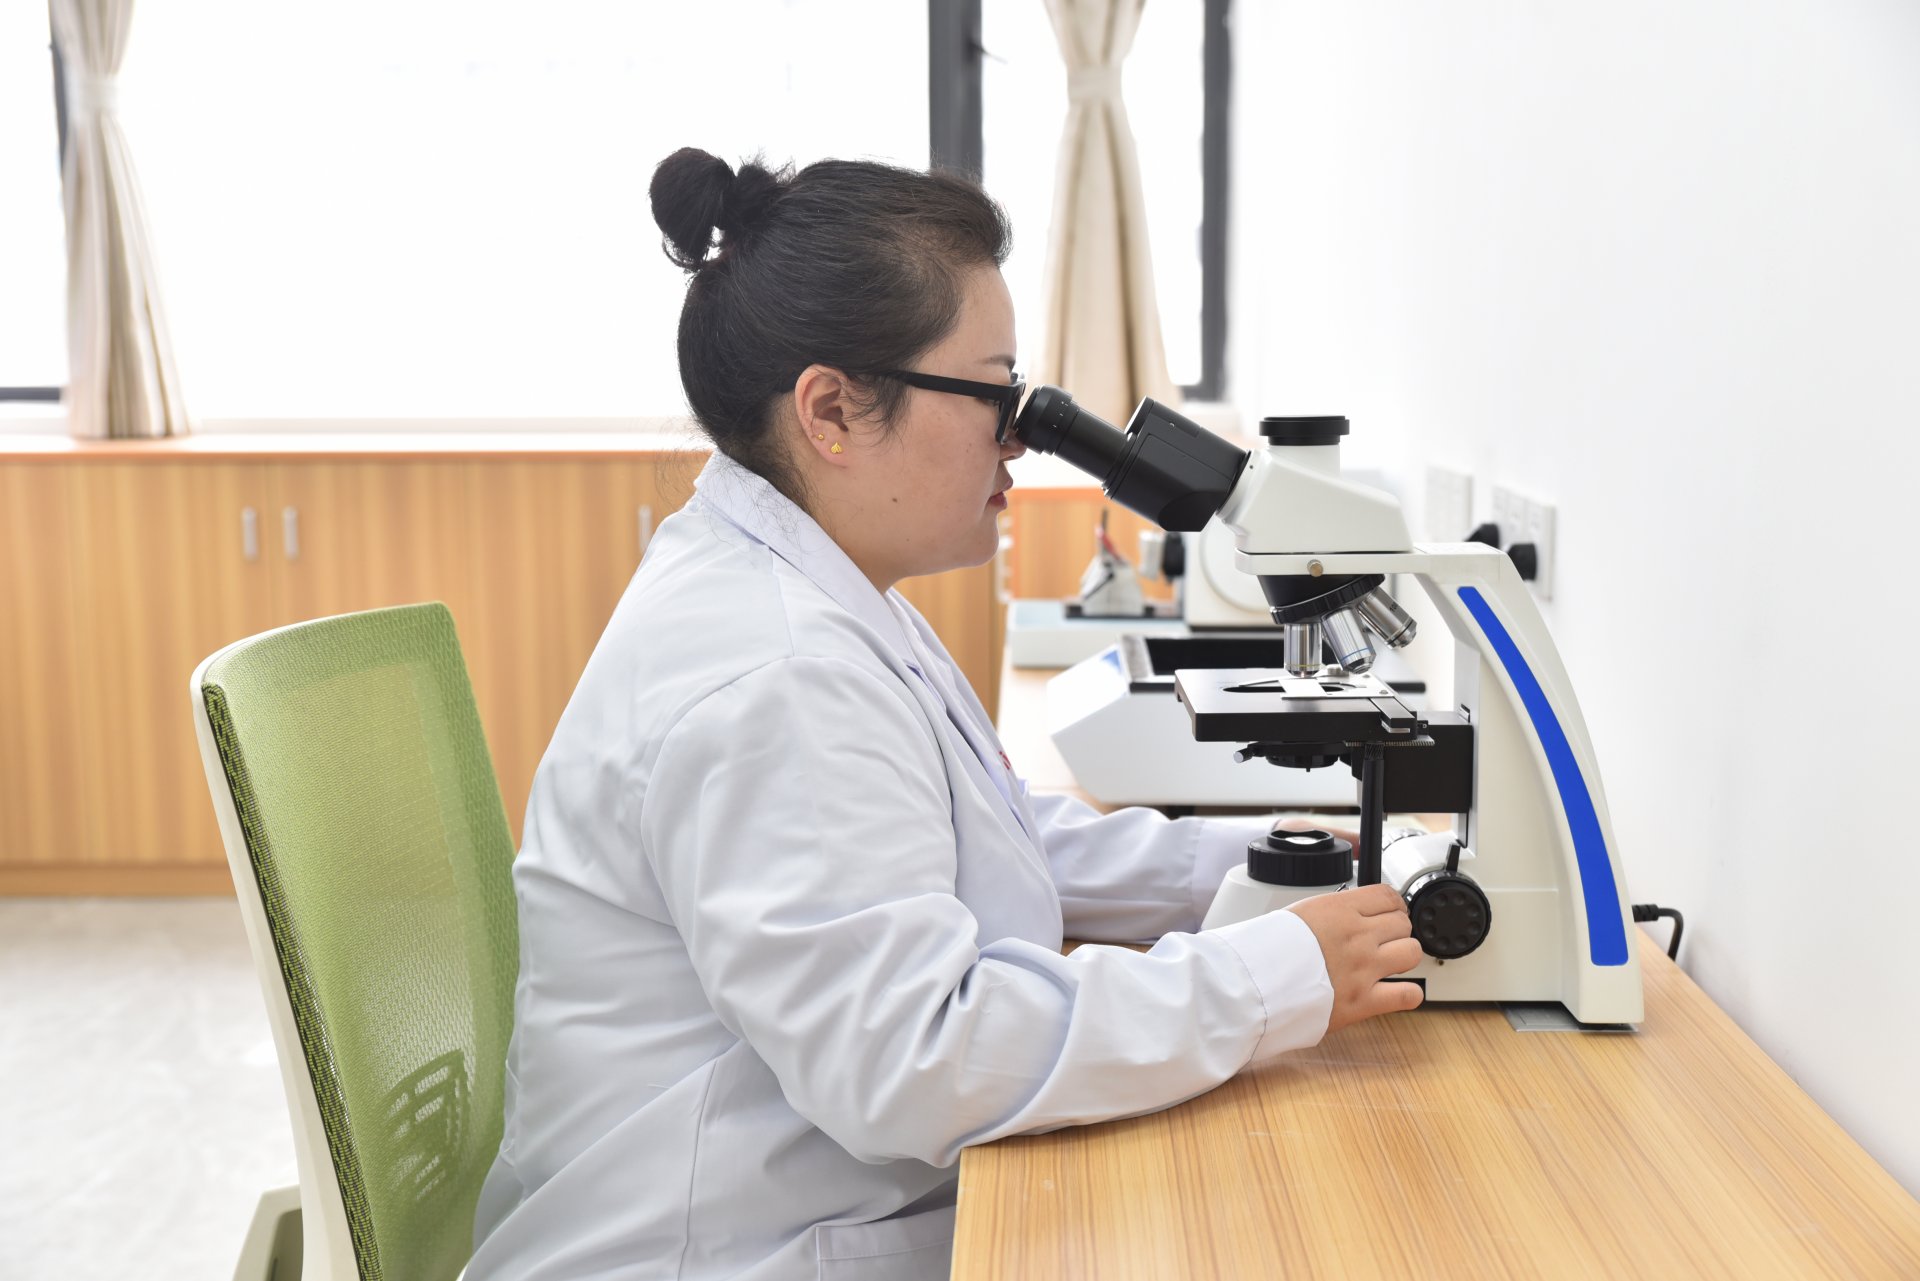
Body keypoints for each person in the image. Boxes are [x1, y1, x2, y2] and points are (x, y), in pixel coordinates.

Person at [467, 148, 1423, 1280]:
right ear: (831, 410)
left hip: (799, 1205)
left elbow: (988, 834)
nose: (1019, 436)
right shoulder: (777, 670)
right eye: (994, 394)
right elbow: (917, 1061)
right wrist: (1270, 976)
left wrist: (1275, 865)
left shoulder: (816, 589)